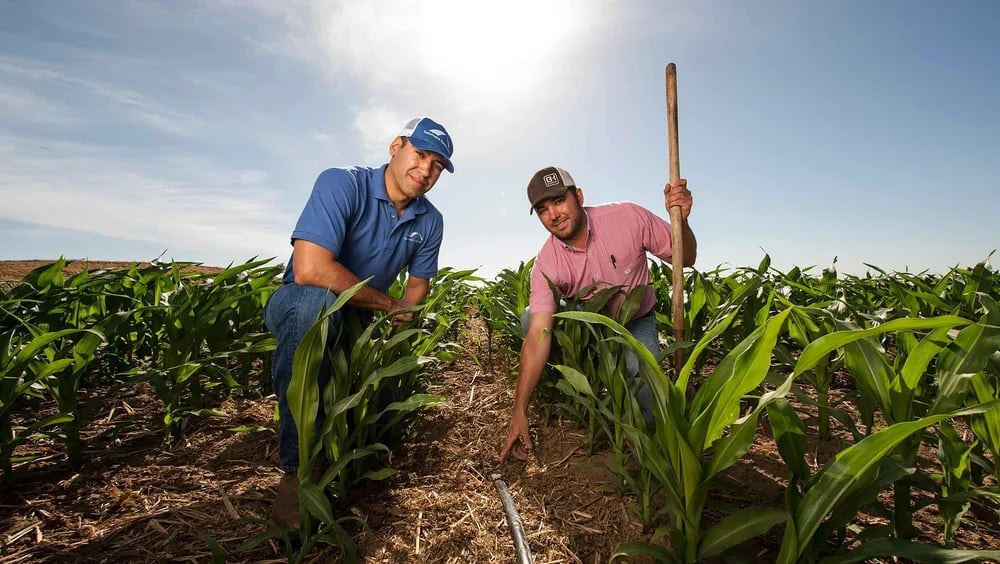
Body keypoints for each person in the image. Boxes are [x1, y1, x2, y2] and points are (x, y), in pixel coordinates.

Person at [264, 117, 455, 527]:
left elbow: (417, 288)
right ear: (395, 147)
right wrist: (389, 305)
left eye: (437, 165)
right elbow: (311, 270)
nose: (425, 170)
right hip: (303, 303)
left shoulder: (431, 221)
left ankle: (367, 448)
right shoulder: (342, 184)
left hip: (364, 316)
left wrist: (397, 334)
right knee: (314, 309)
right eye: (420, 154)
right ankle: (298, 473)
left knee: (384, 379)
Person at [500, 165, 695, 461]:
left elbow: (686, 258)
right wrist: (518, 412)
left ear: (578, 196)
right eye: (542, 209)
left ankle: (644, 445)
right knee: (531, 319)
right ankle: (574, 386)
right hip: (590, 325)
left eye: (558, 201)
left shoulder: (628, 217)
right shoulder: (547, 263)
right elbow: (538, 333)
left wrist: (682, 220)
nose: (553, 215)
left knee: (645, 380)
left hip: (635, 320)